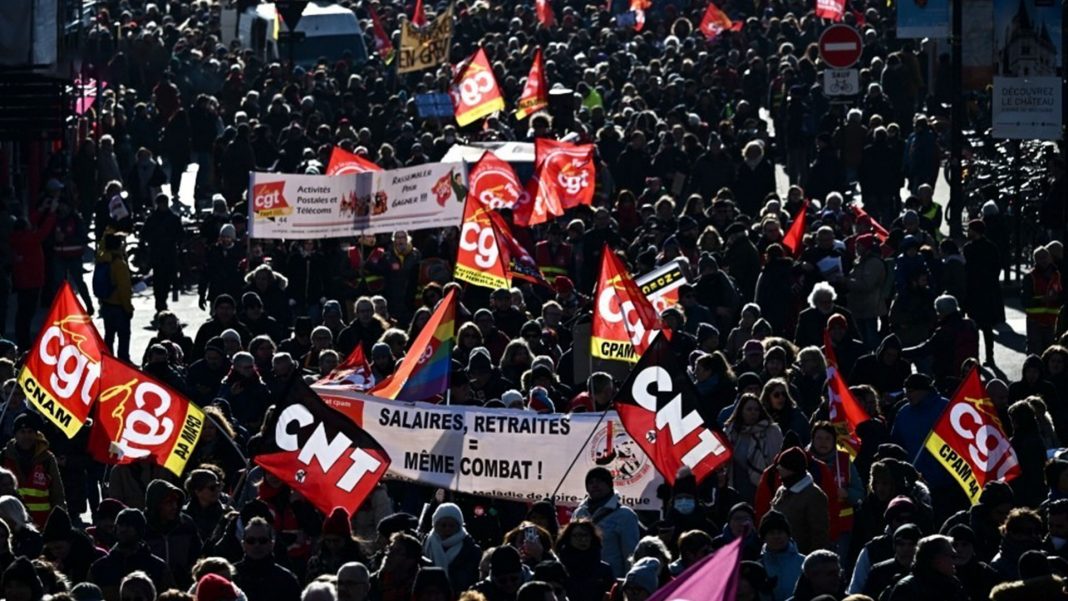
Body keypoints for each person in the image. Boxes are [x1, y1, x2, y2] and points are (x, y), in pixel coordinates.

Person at [89, 508, 175, 600]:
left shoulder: (157, 567)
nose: (123, 529)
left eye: (129, 525)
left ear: (140, 530)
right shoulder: (99, 568)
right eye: (120, 525)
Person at [572, 467, 640, 578]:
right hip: (581, 578)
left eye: (599, 481)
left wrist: (627, 583)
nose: (595, 485)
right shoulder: (579, 513)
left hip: (611, 580)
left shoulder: (625, 515)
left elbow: (630, 554)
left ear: (609, 485)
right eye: (591, 482)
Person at [1, 412, 65, 526]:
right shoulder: (3, 457)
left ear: (36, 434)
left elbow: (57, 494)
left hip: (43, 523)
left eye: (30, 432)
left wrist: (60, 520)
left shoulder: (47, 459)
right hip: (11, 522)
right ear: (15, 435)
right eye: (22, 432)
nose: (26, 436)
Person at [770, 447, 829, 554]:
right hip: (778, 554)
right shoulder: (782, 490)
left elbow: (819, 534)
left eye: (781, 467)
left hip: (799, 557)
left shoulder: (814, 495)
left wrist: (810, 562)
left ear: (792, 470)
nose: (778, 469)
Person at [232, 517, 301, 601]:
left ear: (272, 544)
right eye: (251, 540)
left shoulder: (286, 580)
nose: (256, 545)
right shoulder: (232, 576)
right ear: (243, 544)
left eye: (262, 540)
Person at [885, 535, 969, 601]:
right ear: (936, 558)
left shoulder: (954, 584)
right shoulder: (907, 589)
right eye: (952, 556)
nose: (954, 560)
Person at [422, 503, 481, 592]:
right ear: (435, 525)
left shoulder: (471, 550)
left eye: (452, 525)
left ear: (459, 526)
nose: (447, 529)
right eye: (443, 525)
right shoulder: (426, 543)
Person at [95, 231, 135, 361]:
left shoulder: (102, 259)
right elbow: (124, 289)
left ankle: (108, 361)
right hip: (119, 306)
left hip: (106, 304)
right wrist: (128, 308)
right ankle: (123, 362)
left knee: (109, 336)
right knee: (123, 336)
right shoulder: (119, 264)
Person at [141, 193, 183, 314]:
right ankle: (160, 302)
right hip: (158, 254)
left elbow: (180, 234)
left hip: (168, 253)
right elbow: (144, 234)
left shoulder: (172, 218)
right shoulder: (154, 218)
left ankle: (162, 300)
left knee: (167, 279)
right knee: (159, 280)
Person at [759, 510, 805, 601]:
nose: (776, 536)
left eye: (780, 532)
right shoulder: (758, 566)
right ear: (764, 537)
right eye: (772, 533)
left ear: (788, 535)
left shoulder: (804, 563)